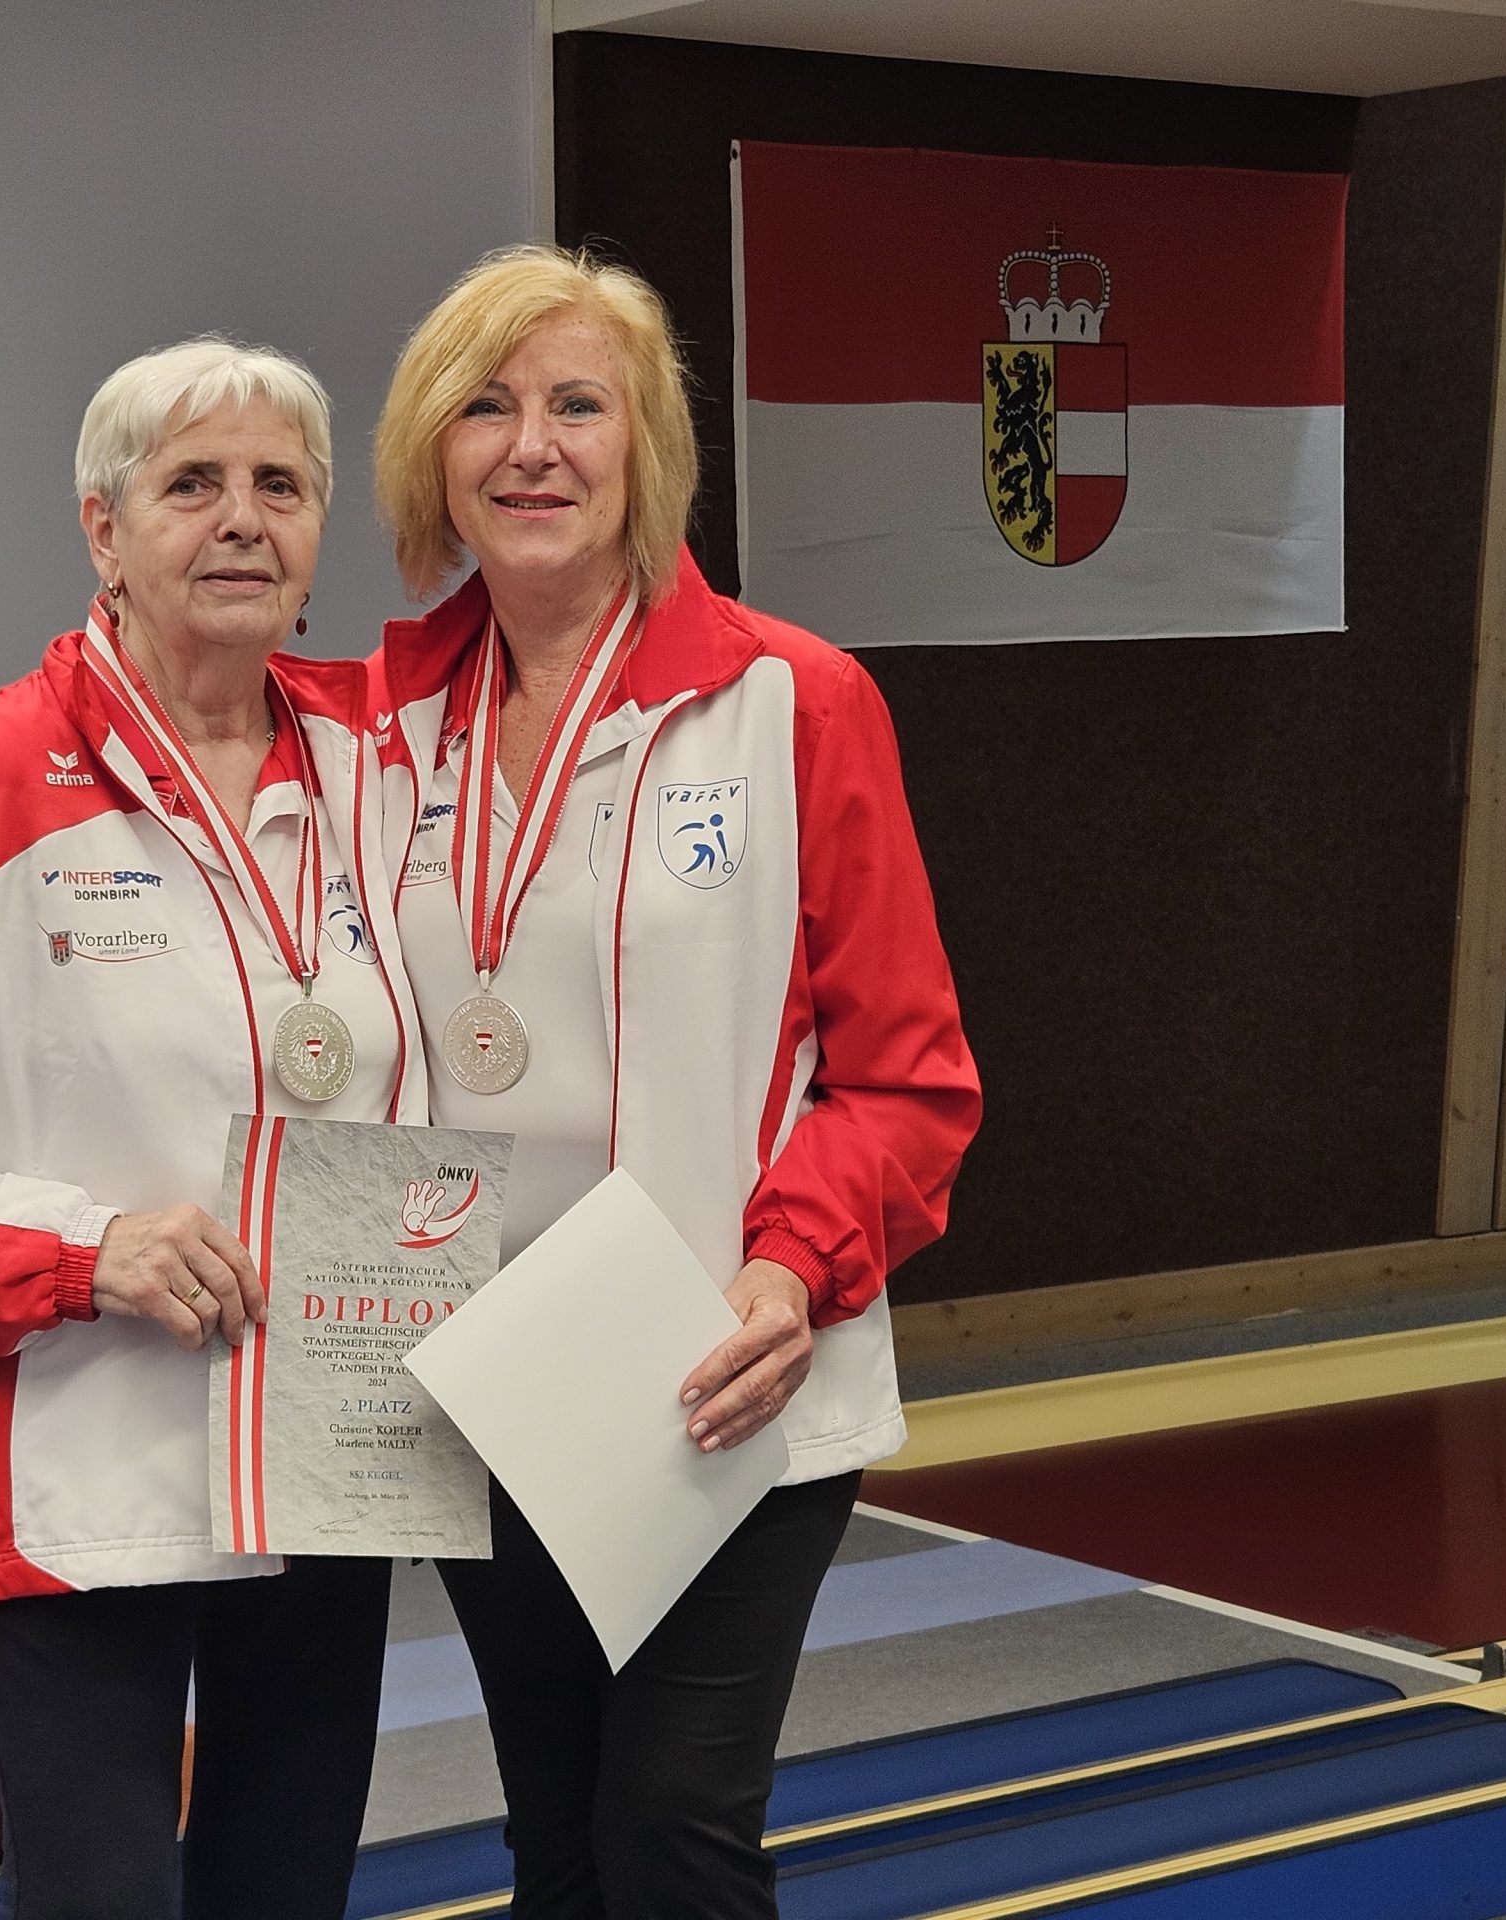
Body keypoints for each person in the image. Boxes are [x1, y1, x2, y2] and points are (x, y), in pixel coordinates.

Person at [0, 338, 423, 1920]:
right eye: (191, 484)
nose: (241, 520)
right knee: (100, 1901)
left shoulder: (380, 765)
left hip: (328, 1438)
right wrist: (79, 1250)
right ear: (103, 532)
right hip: (78, 1455)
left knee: (287, 1889)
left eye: (280, 485)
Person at [370, 246, 981, 1918]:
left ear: (648, 453)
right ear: (434, 453)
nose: (532, 446)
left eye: (581, 405)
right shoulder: (374, 723)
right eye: (485, 406)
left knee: (673, 1833)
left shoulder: (796, 701)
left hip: (731, 1378)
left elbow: (910, 1081)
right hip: (492, 1380)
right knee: (557, 1843)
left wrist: (789, 1272)